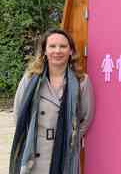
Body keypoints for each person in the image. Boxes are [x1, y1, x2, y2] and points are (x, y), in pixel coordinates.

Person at [10, 28, 95, 174]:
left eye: (63, 46)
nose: (58, 51)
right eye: (52, 46)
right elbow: (19, 113)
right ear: (44, 51)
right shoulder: (30, 78)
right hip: (34, 152)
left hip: (65, 152)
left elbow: (86, 118)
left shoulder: (82, 81)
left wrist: (69, 138)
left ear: (70, 51)